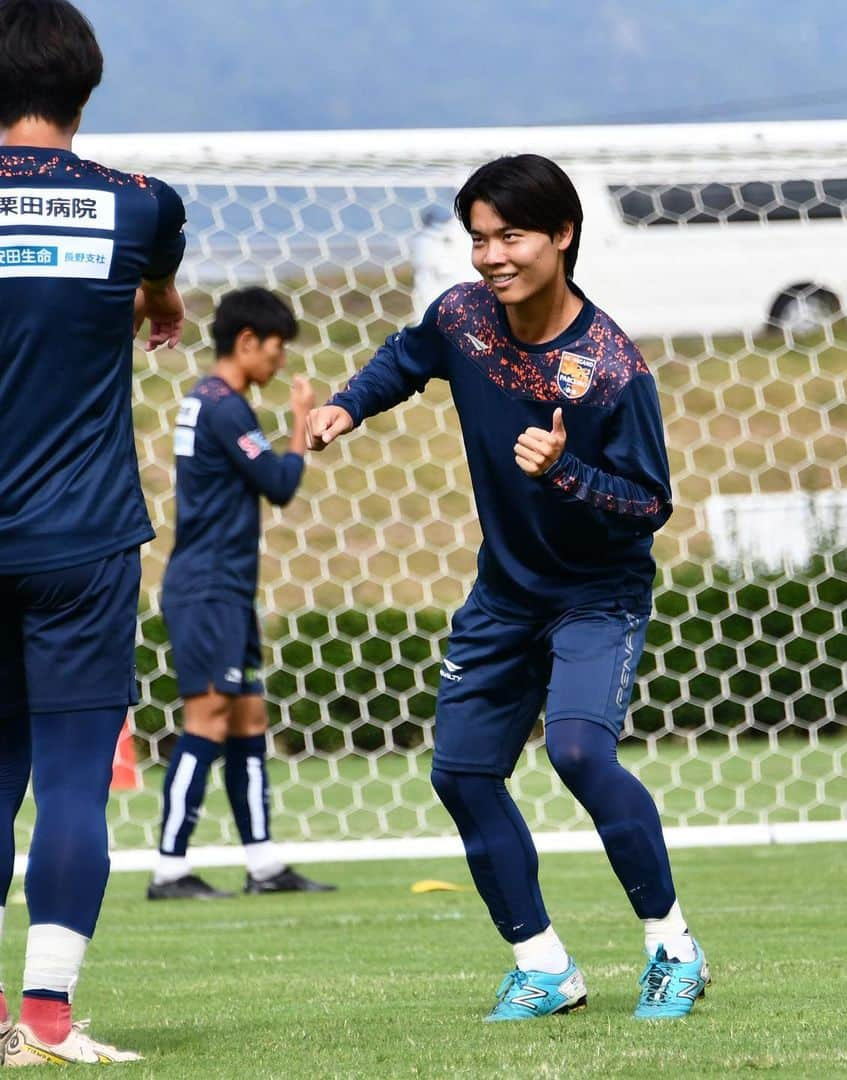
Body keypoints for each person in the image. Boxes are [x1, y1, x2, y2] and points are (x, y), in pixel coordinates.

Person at [309, 155, 709, 1021]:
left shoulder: (609, 367)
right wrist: (347, 406)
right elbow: (407, 356)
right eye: (479, 238)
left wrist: (567, 473)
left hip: (597, 596)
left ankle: (673, 947)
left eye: (512, 237)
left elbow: (649, 503)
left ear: (562, 235)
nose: (492, 256)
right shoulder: (463, 318)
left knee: (576, 753)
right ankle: (543, 967)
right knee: (461, 774)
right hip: (505, 595)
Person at [0, 0, 186, 1063]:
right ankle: (51, 1021)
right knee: (75, 774)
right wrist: (156, 303)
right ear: (86, 83)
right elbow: (159, 278)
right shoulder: (140, 206)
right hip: (82, 539)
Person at [148, 288, 335, 901]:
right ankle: (169, 869)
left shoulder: (206, 402)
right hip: (208, 589)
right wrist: (301, 426)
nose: (282, 362)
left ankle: (262, 865)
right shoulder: (225, 407)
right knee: (207, 718)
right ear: (248, 340)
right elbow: (279, 484)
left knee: (249, 715)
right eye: (278, 347)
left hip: (223, 587)